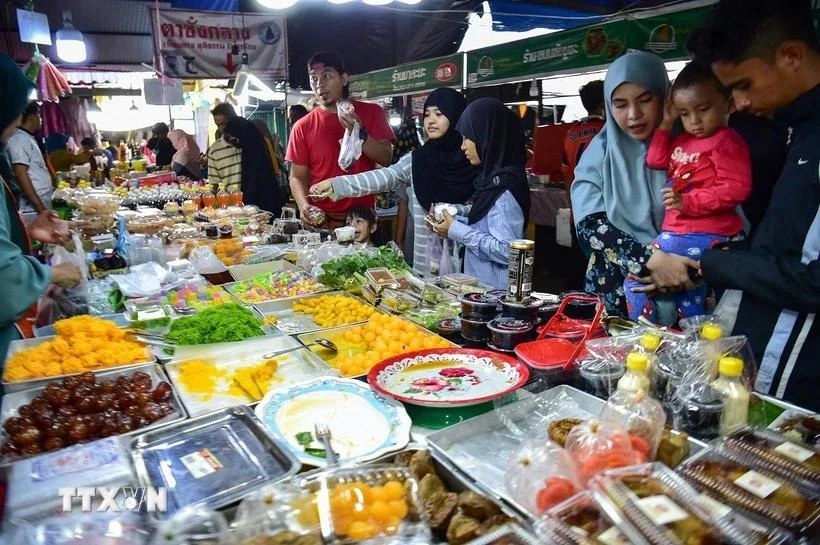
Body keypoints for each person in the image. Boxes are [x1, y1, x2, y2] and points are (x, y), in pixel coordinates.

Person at [688, 0, 820, 410]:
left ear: (791, 56)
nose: (740, 103)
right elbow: (788, 239)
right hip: (766, 352)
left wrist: (715, 264)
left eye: (743, 85)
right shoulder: (798, 129)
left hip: (801, 370)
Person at [571, 51, 699, 322]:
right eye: (619, 104)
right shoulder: (599, 155)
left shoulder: (692, 149)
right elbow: (592, 226)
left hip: (686, 291)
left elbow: (721, 219)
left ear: (665, 97)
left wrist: (683, 270)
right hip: (616, 292)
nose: (633, 115)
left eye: (645, 100)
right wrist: (653, 262)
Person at [625, 61, 752, 322]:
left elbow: (737, 189)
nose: (694, 121)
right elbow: (655, 159)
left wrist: (689, 202)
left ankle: (691, 339)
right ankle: (642, 330)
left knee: (689, 290)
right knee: (636, 278)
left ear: (727, 104)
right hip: (674, 233)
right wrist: (666, 123)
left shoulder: (728, 142)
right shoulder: (683, 140)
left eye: (703, 110)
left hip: (707, 233)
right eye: (684, 113)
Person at [309, 88, 477, 275]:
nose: (430, 120)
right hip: (424, 266)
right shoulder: (417, 160)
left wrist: (453, 212)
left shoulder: (473, 160)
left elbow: (481, 209)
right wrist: (335, 184)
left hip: (465, 271)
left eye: (439, 114)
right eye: (427, 114)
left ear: (456, 117)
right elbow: (383, 177)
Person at [0, 53, 81, 364]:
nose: (19, 118)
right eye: (17, 108)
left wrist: (28, 231)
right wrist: (52, 273)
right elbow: (4, 282)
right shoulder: (18, 143)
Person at [429, 98, 530, 289]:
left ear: (487, 137)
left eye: (468, 137)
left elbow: (509, 251)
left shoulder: (504, 189)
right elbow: (487, 229)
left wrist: (457, 231)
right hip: (481, 292)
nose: (463, 146)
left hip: (495, 297)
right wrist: (452, 225)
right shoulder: (490, 183)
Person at [286, 51, 394, 229]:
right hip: (323, 220)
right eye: (314, 78)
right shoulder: (302, 126)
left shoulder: (372, 112)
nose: (319, 84)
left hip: (362, 220)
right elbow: (297, 176)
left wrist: (360, 132)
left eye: (327, 75)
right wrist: (304, 205)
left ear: (344, 79)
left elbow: (386, 157)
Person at [222, 116, 283, 217]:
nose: (234, 141)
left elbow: (253, 180)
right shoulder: (254, 144)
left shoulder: (253, 151)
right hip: (264, 200)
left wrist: (248, 203)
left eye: (234, 138)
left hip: (261, 203)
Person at [7, 102, 54, 214]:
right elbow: (20, 173)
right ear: (32, 118)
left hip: (42, 199)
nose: (41, 119)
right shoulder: (19, 139)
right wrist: (39, 207)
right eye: (39, 115)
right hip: (32, 206)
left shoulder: (27, 138)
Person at [562, 80, 605, 186]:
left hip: (578, 194)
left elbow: (566, 174)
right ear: (603, 103)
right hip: (600, 193)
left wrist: (571, 201)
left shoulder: (570, 133)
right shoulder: (606, 130)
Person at [208, 103, 243, 190]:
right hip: (230, 201)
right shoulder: (214, 150)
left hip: (253, 201)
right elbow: (214, 184)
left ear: (234, 120)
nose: (221, 128)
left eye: (224, 124)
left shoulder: (248, 142)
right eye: (218, 125)